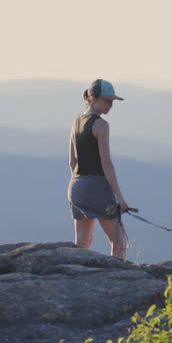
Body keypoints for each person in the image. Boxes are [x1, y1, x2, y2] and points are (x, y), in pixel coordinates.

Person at [67, 79, 130, 259]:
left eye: (112, 101)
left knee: (82, 241)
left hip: (76, 186)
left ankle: (76, 276)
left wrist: (82, 184)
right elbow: (106, 163)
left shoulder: (76, 121)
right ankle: (118, 279)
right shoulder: (101, 125)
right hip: (98, 187)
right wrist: (119, 196)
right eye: (106, 101)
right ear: (93, 98)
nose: (110, 105)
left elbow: (72, 161)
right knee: (119, 240)